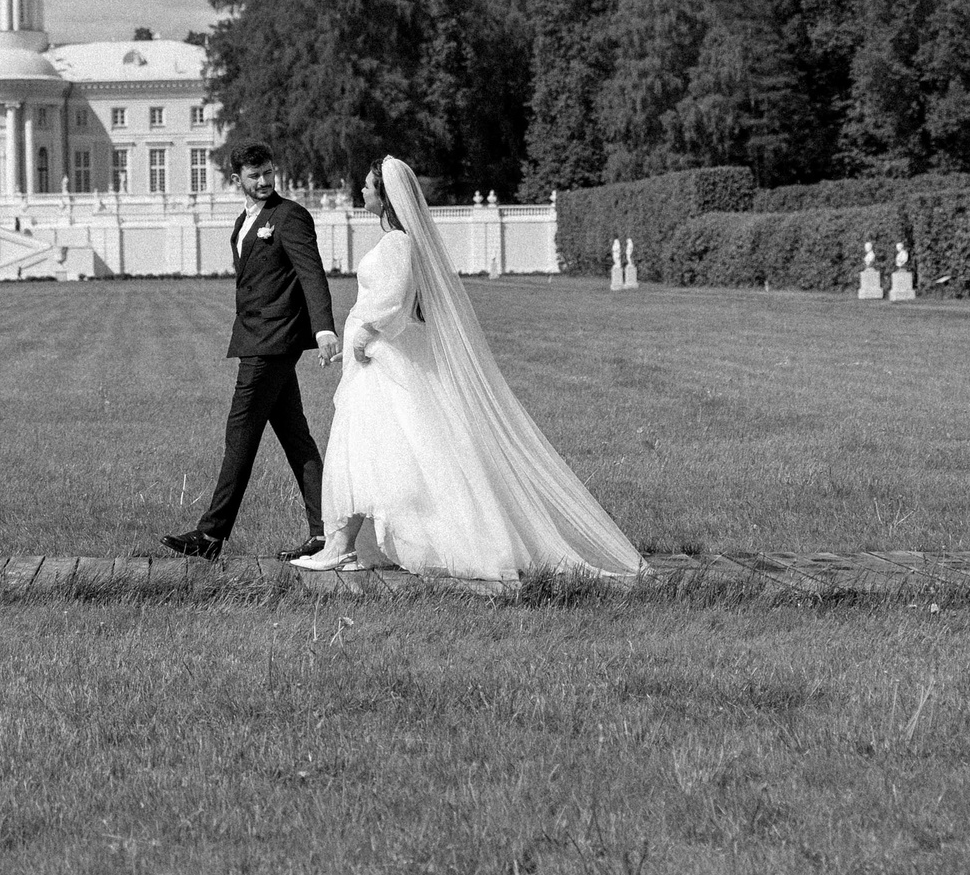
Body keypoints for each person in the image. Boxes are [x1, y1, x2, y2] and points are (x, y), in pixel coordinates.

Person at [296, 156, 642, 580]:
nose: (362, 193)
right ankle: (343, 543)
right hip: (379, 359)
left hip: (382, 359)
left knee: (369, 448)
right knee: (378, 450)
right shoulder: (397, 241)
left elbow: (393, 298)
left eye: (368, 188)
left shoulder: (397, 243)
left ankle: (340, 546)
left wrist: (365, 335)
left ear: (384, 198)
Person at [161, 144, 340, 561]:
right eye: (255, 176)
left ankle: (210, 535)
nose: (264, 182)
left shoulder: (289, 216)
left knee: (239, 434)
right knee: (297, 439)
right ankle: (325, 531)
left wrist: (324, 326)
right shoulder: (243, 222)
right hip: (256, 338)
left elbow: (310, 272)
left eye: (268, 173)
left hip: (272, 343)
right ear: (236, 179)